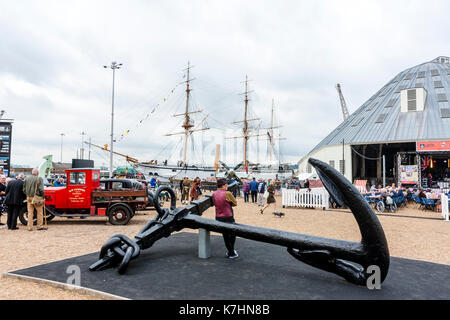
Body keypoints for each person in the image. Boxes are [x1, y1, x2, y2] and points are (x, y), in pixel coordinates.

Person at [212, 178, 238, 259]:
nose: (227, 186)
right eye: (226, 185)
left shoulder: (214, 193)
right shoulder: (228, 193)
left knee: (225, 235)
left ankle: (231, 251)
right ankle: (231, 252)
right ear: (223, 185)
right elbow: (235, 203)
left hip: (218, 217)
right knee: (233, 234)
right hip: (228, 216)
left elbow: (214, 203)